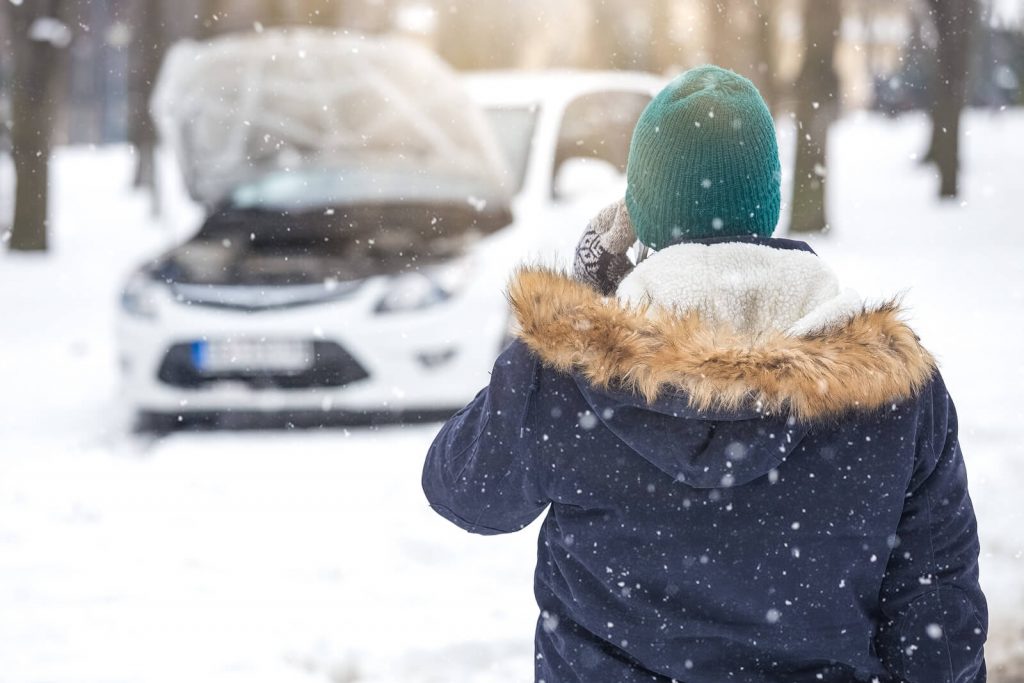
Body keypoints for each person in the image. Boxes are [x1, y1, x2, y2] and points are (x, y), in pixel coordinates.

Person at [421, 65, 987, 683]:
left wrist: (578, 315)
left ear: (637, 216)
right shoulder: (893, 385)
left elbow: (464, 491)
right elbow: (939, 622)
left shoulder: (566, 377)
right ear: (766, 202)